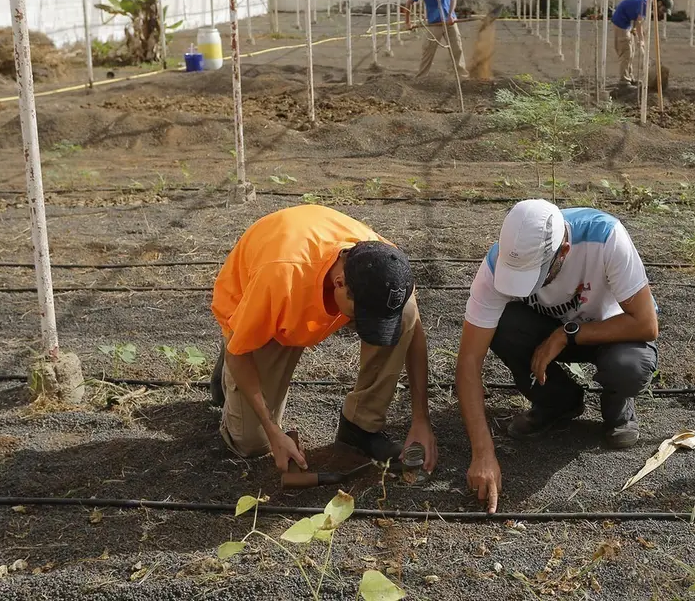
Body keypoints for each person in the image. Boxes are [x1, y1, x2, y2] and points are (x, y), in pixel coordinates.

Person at [456, 200, 660, 512]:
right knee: (501, 327)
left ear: (563, 251)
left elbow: (646, 324)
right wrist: (483, 453)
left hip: (612, 331)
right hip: (549, 331)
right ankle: (558, 402)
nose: (526, 289)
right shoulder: (498, 263)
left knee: (629, 367)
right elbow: (469, 361)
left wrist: (567, 334)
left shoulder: (606, 237)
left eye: (536, 276)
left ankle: (618, 404)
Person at [210, 205, 437, 475]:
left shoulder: (385, 264)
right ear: (340, 283)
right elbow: (238, 354)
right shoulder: (280, 280)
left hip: (301, 294)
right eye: (361, 316)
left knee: (405, 311)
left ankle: (360, 426)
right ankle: (232, 359)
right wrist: (273, 431)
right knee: (251, 443)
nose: (364, 326)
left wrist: (421, 419)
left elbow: (414, 331)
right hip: (266, 309)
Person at [404, 0, 467, 79]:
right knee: (428, 50)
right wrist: (407, 22)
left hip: (450, 21)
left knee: (457, 48)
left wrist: (450, 15)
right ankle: (421, 77)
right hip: (434, 23)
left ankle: (462, 75)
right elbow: (409, 3)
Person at [610, 0, 672, 86]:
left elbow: (637, 19)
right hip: (621, 24)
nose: (662, 13)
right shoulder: (645, 5)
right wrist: (641, 40)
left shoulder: (646, 3)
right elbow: (639, 22)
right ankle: (624, 81)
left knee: (631, 53)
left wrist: (634, 29)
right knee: (626, 54)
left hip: (627, 23)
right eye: (663, 10)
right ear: (659, 3)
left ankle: (630, 78)